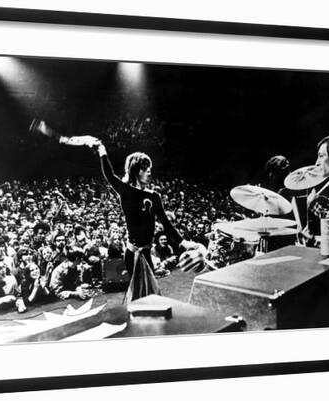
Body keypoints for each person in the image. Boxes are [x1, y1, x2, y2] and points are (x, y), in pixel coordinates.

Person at [29, 119, 206, 301]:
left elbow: (166, 224)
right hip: (132, 253)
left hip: (146, 251)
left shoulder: (154, 196)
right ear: (137, 170)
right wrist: (102, 151)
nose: (150, 173)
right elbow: (109, 174)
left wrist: (183, 243)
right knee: (139, 292)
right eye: (147, 169)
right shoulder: (125, 191)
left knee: (151, 291)